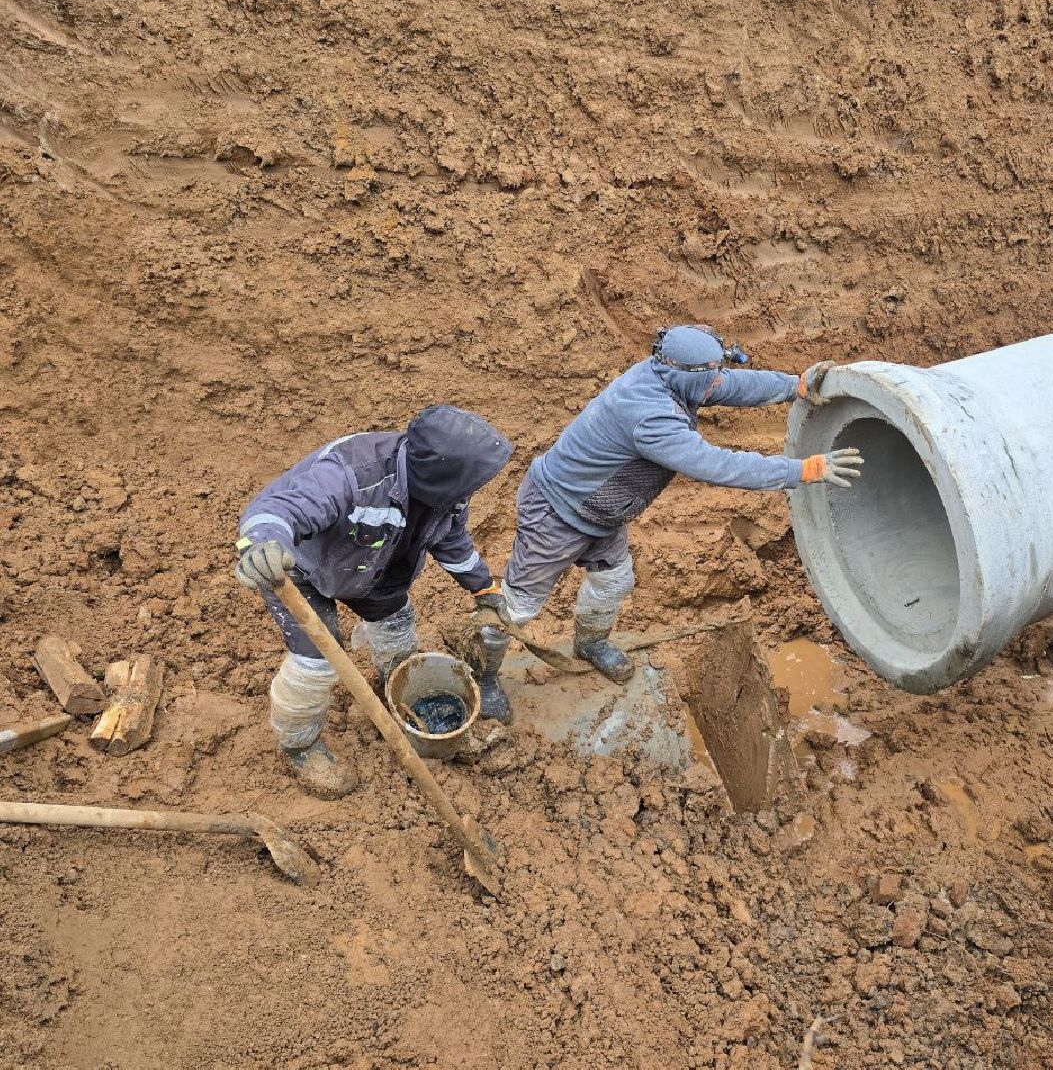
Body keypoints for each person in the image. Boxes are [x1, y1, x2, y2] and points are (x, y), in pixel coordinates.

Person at [476, 325, 862, 720]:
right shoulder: (650, 417)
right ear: (685, 375)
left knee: (613, 582)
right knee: (518, 605)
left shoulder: (669, 375)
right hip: (556, 514)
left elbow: (729, 385)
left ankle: (590, 642)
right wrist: (804, 470)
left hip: (601, 513)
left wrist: (793, 386)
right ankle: (482, 676)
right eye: (710, 375)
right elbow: (717, 465)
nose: (718, 381)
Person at [233, 405, 513, 798]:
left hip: (376, 565)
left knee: (398, 633)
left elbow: (451, 541)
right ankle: (300, 744)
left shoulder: (449, 493)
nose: (472, 492)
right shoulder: (352, 474)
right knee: (317, 664)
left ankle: (399, 692)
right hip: (300, 568)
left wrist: (483, 587)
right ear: (439, 473)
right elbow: (278, 510)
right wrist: (264, 545)